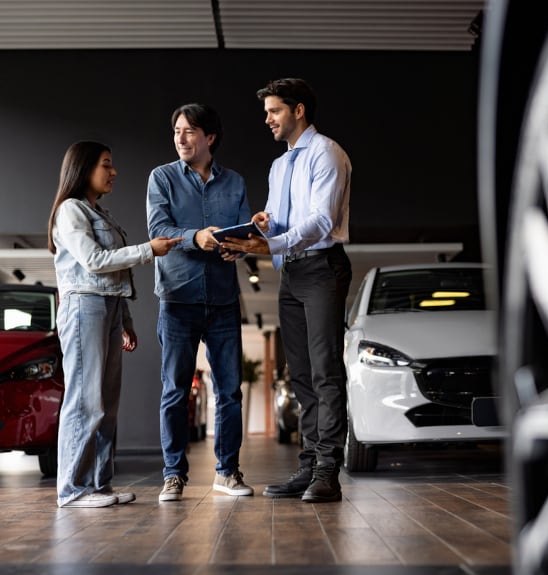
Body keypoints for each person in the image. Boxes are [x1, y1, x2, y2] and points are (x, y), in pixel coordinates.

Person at [219, 78, 352, 503]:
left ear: (298, 110)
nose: (267, 119)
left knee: (325, 370)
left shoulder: (326, 153)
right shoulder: (279, 166)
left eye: (274, 110)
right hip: (292, 273)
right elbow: (282, 224)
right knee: (300, 375)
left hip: (322, 269)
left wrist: (272, 242)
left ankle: (328, 471)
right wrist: (257, 232)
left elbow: (320, 221)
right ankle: (310, 465)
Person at [47, 140, 182, 508]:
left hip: (107, 309)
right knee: (84, 400)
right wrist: (148, 250)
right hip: (83, 308)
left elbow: (113, 272)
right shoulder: (70, 211)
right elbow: (94, 260)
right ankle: (73, 490)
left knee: (106, 404)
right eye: (106, 164)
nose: (114, 171)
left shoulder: (100, 213)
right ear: (83, 168)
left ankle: (98, 485)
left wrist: (124, 319)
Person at [147, 103, 254, 502]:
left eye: (190, 131)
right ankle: (173, 474)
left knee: (230, 391)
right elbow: (158, 228)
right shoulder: (161, 178)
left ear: (210, 137)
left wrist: (237, 248)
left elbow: (242, 234)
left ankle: (227, 472)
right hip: (177, 299)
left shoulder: (235, 182)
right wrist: (197, 237)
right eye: (177, 130)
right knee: (175, 390)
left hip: (224, 300)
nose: (180, 137)